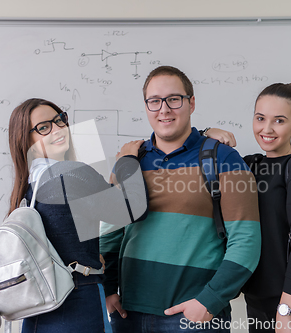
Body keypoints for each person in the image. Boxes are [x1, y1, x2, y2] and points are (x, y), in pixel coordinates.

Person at [100, 66, 261, 333]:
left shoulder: (224, 158)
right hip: (128, 315)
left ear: (191, 102)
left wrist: (208, 301)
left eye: (174, 99)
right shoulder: (129, 160)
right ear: (147, 106)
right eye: (155, 101)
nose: (164, 109)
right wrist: (106, 289)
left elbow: (246, 241)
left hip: (193, 317)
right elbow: (109, 235)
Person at [7, 98, 148, 333]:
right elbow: (134, 209)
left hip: (38, 314)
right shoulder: (71, 174)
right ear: (26, 139)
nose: (58, 129)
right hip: (76, 304)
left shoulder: (29, 185)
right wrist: (127, 160)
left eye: (59, 120)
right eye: (44, 128)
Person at [211, 83, 291, 332]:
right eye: (260, 118)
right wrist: (207, 133)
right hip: (258, 302)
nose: (267, 129)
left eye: (279, 121)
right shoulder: (250, 165)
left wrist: (286, 310)